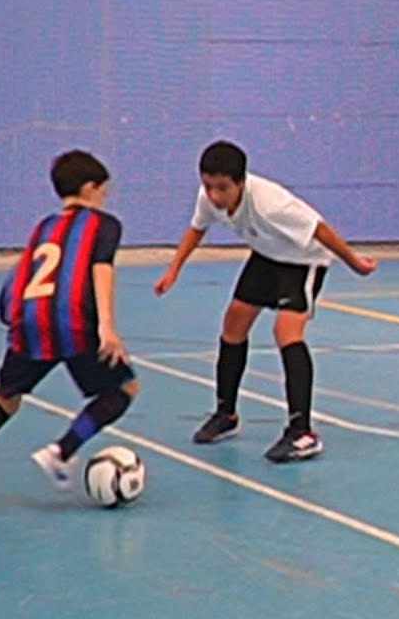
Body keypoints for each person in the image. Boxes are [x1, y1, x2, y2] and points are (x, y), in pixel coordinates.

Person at [0, 150, 137, 512]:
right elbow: (101, 270)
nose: (105, 198)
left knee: (4, 400)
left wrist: (14, 318)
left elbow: (17, 279)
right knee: (124, 388)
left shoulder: (43, 227)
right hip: (72, 321)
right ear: (90, 188)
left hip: (30, 321)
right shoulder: (104, 224)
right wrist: (107, 327)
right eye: (103, 190)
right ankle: (62, 451)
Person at [153, 140, 377, 463]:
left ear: (241, 183)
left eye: (222, 188)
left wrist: (354, 263)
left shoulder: (271, 205)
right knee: (233, 323)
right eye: (208, 186)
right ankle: (225, 415)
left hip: (303, 259)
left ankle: (302, 433)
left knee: (286, 331)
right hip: (267, 254)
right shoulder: (209, 198)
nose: (214, 196)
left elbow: (320, 231)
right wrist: (174, 269)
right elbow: (196, 228)